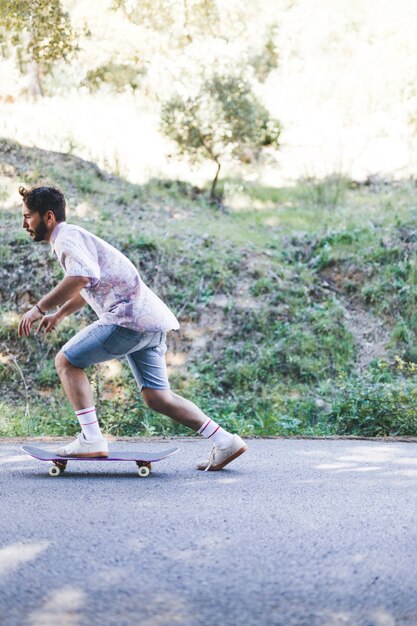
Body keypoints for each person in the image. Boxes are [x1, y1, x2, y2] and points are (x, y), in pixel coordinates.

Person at [17, 185, 248, 471]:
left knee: (66, 361)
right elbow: (87, 282)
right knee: (157, 397)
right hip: (151, 321)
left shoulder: (66, 238)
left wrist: (39, 308)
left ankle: (91, 439)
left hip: (128, 320)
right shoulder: (75, 236)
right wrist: (60, 314)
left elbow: (81, 276)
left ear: (48, 217)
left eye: (28, 216)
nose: (24, 223)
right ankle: (226, 441)